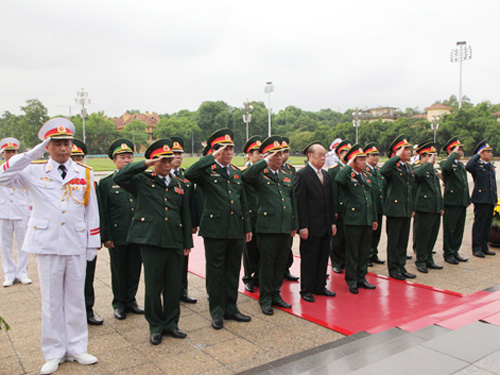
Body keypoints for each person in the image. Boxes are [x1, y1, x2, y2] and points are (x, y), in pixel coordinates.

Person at [0, 118, 100, 374]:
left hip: (76, 242)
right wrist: (30, 153)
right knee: (52, 300)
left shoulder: (84, 173)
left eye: (66, 143)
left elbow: (92, 212)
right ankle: (54, 352)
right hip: (47, 244)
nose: (63, 148)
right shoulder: (33, 170)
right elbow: (3, 175)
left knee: (76, 299)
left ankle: (77, 348)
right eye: (56, 143)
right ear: (47, 146)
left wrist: (92, 242)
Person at [114, 138, 193, 345]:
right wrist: (146, 163)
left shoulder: (179, 184)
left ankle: (171, 323)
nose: (167, 165)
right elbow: (120, 177)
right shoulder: (142, 180)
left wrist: (187, 243)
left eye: (169, 161)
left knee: (173, 286)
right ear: (154, 162)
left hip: (174, 240)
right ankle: (156, 326)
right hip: (151, 241)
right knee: (153, 286)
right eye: (162, 161)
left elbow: (185, 215)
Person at [185, 129, 252, 330]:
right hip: (215, 229)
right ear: (215, 151)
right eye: (224, 149)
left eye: (231, 148)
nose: (229, 152)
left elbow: (243, 201)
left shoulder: (237, 173)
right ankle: (217, 311)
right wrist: (211, 157)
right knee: (215, 272)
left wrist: (247, 226)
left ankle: (231, 307)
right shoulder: (207, 171)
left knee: (232, 270)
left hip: (236, 229)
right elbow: (189, 173)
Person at [242, 136, 298, 315]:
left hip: (284, 226)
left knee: (280, 264)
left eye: (281, 154)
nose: (279, 158)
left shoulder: (287, 174)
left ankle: (276, 294)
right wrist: (265, 160)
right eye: (275, 155)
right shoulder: (260, 174)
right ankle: (265, 298)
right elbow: (246, 176)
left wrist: (294, 223)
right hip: (267, 227)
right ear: (267, 157)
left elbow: (292, 201)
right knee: (267, 264)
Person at [98, 139, 144, 320]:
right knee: (118, 271)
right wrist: (106, 236)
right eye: (122, 157)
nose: (127, 161)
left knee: (135, 269)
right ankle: (119, 303)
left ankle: (131, 301)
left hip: (137, 233)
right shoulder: (106, 183)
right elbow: (103, 212)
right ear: (114, 160)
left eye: (130, 157)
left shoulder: (139, 180)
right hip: (118, 234)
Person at [293, 141, 336, 303]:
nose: (323, 158)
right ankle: (307, 289)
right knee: (309, 259)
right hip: (310, 226)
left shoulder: (326, 175)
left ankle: (320, 286)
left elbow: (330, 201)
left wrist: (332, 223)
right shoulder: (302, 175)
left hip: (325, 225)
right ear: (309, 156)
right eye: (320, 155)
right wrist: (302, 226)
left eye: (325, 155)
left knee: (323, 257)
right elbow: (300, 203)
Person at [336, 144, 378, 294]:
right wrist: (348, 165)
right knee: (352, 252)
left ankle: (362, 278)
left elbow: (370, 199)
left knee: (364, 251)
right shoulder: (347, 175)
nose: (363, 162)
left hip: (366, 219)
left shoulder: (366, 175)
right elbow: (338, 180)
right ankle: (352, 280)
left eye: (363, 159)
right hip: (353, 220)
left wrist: (374, 218)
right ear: (353, 161)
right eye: (359, 159)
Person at [70, 139, 103, 326]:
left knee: (87, 276)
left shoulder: (91, 182)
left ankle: (87, 310)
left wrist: (97, 236)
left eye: (80, 158)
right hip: (66, 237)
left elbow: (97, 213)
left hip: (85, 236)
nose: (77, 162)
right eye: (73, 158)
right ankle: (70, 314)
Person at [380, 135, 416, 281]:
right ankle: (393, 269)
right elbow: (384, 170)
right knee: (394, 242)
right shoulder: (393, 166)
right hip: (395, 210)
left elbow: (410, 189)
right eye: (405, 150)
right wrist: (396, 157)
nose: (409, 152)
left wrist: (412, 207)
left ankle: (401, 266)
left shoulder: (408, 166)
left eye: (409, 149)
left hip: (405, 209)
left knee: (403, 241)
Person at [0, 137, 32, 287]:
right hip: (3, 211)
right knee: (5, 245)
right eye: (8, 152)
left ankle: (22, 273)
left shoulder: (25, 171)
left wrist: (31, 211)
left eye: (14, 151)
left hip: (21, 211)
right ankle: (9, 273)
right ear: (2, 154)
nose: (11, 154)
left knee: (23, 244)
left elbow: (31, 194)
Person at [171, 136, 199, 304]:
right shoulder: (163, 176)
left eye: (180, 153)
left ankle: (183, 290)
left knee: (184, 258)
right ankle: (170, 291)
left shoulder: (186, 176)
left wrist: (194, 223)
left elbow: (191, 202)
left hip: (185, 225)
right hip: (169, 225)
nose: (178, 157)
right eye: (175, 153)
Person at [412, 141, 444, 273]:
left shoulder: (432, 170)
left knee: (432, 235)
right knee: (423, 236)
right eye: (430, 155)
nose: (434, 158)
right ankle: (420, 260)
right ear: (423, 156)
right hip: (423, 208)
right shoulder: (418, 167)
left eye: (434, 155)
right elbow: (417, 176)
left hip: (434, 208)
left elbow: (437, 189)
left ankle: (429, 258)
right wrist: (428, 164)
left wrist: (441, 206)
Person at [440, 137, 470, 264]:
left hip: (461, 201)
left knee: (459, 228)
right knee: (450, 229)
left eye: (461, 149)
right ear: (450, 151)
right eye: (458, 149)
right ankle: (448, 253)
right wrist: (452, 155)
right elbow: (445, 169)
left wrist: (467, 199)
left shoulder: (460, 165)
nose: (460, 151)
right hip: (451, 202)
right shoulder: (446, 163)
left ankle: (455, 251)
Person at [466, 140, 498, 258]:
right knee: (479, 224)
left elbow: (493, 183)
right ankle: (477, 248)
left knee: (487, 224)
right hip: (481, 199)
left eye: (490, 152)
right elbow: (468, 166)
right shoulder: (476, 166)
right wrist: (477, 155)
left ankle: (485, 246)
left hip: (489, 199)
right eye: (487, 152)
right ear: (482, 153)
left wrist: (495, 199)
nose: (490, 154)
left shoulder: (489, 166)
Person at [241, 135, 263, 293]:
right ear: (249, 155)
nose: (260, 155)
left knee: (262, 249)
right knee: (249, 250)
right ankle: (249, 277)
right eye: (256, 152)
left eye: (262, 152)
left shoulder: (265, 171)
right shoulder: (244, 172)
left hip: (263, 216)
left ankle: (259, 277)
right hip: (249, 215)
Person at [328, 140, 352, 274]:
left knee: (348, 238)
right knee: (337, 238)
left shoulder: (352, 169)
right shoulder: (334, 171)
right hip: (339, 208)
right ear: (338, 154)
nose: (348, 155)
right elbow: (333, 192)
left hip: (351, 208)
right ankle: (336, 262)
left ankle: (345, 260)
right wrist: (334, 210)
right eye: (345, 152)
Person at [281, 137, 299, 282]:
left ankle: (285, 269)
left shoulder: (291, 170)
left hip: (288, 213)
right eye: (282, 152)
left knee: (287, 245)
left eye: (287, 152)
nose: (285, 155)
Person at [364, 143, 385, 266]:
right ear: (366, 157)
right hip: (369, 208)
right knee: (368, 234)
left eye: (377, 155)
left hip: (379, 207)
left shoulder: (378, 171)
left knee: (377, 233)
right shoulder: (365, 171)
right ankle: (366, 256)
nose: (376, 158)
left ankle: (373, 253)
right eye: (373, 155)